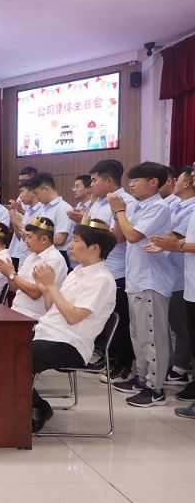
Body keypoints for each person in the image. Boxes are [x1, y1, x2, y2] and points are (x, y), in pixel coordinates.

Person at [30, 219, 117, 432]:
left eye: (76, 240)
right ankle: (27, 405)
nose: (70, 245)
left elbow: (72, 317)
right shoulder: (77, 271)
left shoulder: (102, 279)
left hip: (70, 344)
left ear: (94, 248)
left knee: (11, 356)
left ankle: (37, 407)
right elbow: (52, 309)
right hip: (48, 333)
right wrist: (46, 290)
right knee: (0, 347)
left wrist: (51, 285)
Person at [109, 161, 173, 407]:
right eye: (130, 180)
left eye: (136, 180)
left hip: (151, 280)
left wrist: (120, 212)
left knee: (153, 335)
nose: (131, 185)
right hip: (136, 278)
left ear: (153, 182)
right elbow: (121, 235)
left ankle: (156, 389)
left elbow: (133, 236)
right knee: (138, 334)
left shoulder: (158, 207)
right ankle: (142, 378)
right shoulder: (137, 206)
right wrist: (118, 213)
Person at [144, 167, 195, 387]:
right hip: (177, 274)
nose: (175, 182)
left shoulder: (190, 207)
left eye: (179, 179)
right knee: (179, 325)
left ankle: (181, 367)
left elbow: (175, 238)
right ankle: (178, 367)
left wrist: (175, 244)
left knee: (182, 326)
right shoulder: (176, 204)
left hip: (181, 275)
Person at [85, 159, 136, 379]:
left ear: (109, 181)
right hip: (99, 267)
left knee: (120, 319)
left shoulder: (126, 202)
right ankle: (108, 358)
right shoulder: (97, 203)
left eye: (94, 180)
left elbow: (119, 236)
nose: (91, 185)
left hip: (118, 269)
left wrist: (93, 234)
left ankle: (123, 364)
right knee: (104, 316)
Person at [0, 217, 68, 320]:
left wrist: (11, 273)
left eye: (29, 237)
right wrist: (8, 274)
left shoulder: (54, 259)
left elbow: (35, 293)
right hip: (17, 311)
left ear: (44, 239)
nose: (25, 240)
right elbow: (14, 287)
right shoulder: (31, 256)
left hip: (34, 318)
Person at [28, 173, 75, 268]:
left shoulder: (63, 208)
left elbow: (60, 239)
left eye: (36, 193)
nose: (36, 197)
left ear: (46, 189)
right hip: (42, 253)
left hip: (57, 254)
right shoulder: (42, 208)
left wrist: (35, 239)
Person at [7, 180, 41, 270]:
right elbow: (20, 237)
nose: (20, 196)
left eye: (21, 191)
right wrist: (13, 220)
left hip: (35, 260)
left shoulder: (42, 210)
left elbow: (34, 235)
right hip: (23, 258)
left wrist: (17, 222)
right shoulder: (28, 211)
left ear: (32, 192)